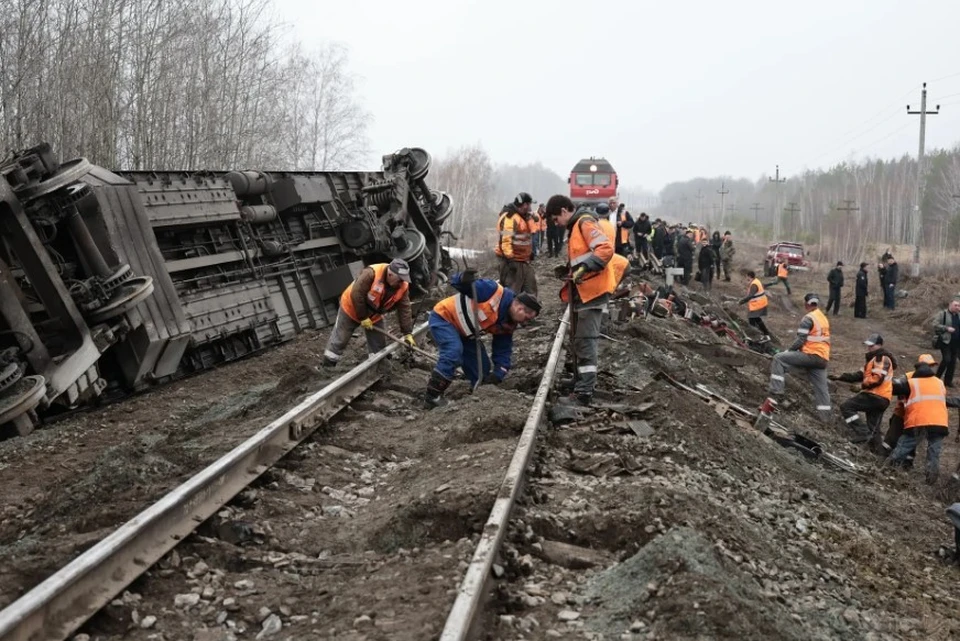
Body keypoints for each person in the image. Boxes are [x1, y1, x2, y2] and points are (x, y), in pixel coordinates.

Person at [423, 271, 540, 408]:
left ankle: (477, 397)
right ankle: (433, 396)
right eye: (526, 318)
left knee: (482, 371)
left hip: (467, 333)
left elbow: (503, 350)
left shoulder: (508, 324)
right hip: (444, 318)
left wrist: (498, 374)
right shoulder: (492, 291)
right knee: (453, 351)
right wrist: (464, 279)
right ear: (519, 307)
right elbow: (461, 284)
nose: (524, 323)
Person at [546, 194, 616, 406]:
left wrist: (584, 268)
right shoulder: (576, 226)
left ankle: (584, 392)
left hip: (592, 290)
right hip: (584, 291)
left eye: (556, 219)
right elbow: (583, 255)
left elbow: (605, 249)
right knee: (578, 338)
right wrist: (571, 269)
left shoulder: (584, 223)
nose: (556, 224)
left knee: (585, 340)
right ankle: (579, 380)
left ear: (564, 211)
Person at [323, 259, 415, 367]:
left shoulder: (403, 286)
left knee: (378, 344)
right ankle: (328, 365)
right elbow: (357, 294)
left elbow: (404, 308)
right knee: (340, 339)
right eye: (400, 279)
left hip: (374, 314)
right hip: (351, 308)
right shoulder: (371, 273)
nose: (401, 282)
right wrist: (363, 317)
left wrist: (407, 332)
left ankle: (377, 366)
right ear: (390, 275)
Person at [768, 293, 831, 422]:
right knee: (822, 389)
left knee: (779, 358)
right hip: (822, 359)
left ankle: (776, 392)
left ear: (806, 304)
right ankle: (826, 419)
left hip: (811, 355)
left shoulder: (808, 318)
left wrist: (789, 351)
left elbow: (801, 339)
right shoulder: (823, 317)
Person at [829, 333, 896, 450]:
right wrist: (840, 377)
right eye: (868, 345)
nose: (869, 348)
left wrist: (862, 386)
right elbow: (859, 375)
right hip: (882, 398)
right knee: (874, 429)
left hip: (875, 395)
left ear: (879, 345)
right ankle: (877, 453)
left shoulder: (880, 358)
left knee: (846, 407)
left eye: (872, 345)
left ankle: (862, 432)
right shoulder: (873, 360)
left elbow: (877, 379)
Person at [888, 354, 948, 484]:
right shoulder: (939, 383)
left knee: (903, 446)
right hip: (940, 423)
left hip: (919, 422)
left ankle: (887, 470)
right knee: (934, 452)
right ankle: (930, 481)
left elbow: (892, 388)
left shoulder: (911, 382)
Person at [494, 192, 537, 295]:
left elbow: (525, 237)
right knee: (512, 293)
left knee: (530, 290)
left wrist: (529, 252)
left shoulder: (523, 216)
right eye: (529, 204)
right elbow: (506, 240)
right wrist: (510, 259)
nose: (530, 207)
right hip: (512, 261)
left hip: (523, 260)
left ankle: (529, 304)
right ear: (524, 205)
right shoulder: (510, 218)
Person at [933, 298, 960, 387]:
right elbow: (935, 324)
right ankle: (936, 378)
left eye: (958, 306)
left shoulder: (959, 315)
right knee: (946, 359)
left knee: (953, 362)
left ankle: (948, 381)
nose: (957, 307)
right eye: (955, 305)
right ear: (950, 305)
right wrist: (946, 328)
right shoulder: (942, 314)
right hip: (945, 341)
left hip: (956, 343)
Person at [738, 270, 770, 336]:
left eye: (746, 276)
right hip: (760, 303)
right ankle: (765, 332)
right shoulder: (756, 281)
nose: (746, 278)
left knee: (752, 318)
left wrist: (741, 301)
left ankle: (755, 333)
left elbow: (750, 296)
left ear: (749, 276)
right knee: (756, 318)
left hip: (758, 304)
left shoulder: (754, 284)